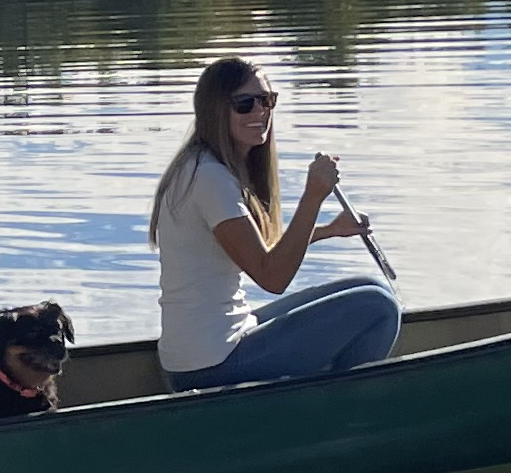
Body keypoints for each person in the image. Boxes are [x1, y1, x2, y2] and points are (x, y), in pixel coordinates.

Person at [149, 56, 399, 392]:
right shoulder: (210, 178)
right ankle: (340, 410)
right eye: (245, 104)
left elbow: (259, 249)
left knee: (372, 287)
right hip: (210, 365)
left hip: (210, 348)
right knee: (378, 307)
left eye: (267, 101)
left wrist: (328, 229)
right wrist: (313, 197)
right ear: (215, 110)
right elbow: (272, 276)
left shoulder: (201, 166)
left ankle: (323, 390)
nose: (260, 112)